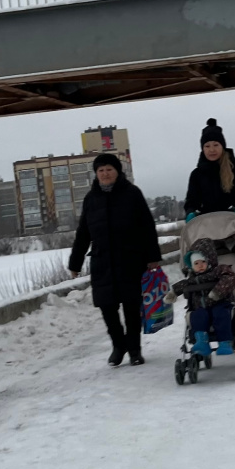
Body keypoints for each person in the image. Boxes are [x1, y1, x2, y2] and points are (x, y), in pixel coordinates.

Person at [68, 153, 162, 366]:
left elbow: (147, 227)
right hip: (102, 262)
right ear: (96, 174)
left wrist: (153, 257)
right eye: (101, 170)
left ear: (117, 171)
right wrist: (75, 262)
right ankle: (118, 346)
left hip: (130, 260)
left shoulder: (132, 194)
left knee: (131, 309)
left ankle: (134, 350)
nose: (105, 173)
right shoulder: (91, 199)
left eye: (109, 169)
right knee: (107, 308)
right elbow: (83, 233)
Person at [184, 117, 235, 235]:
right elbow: (191, 201)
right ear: (202, 149)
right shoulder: (196, 175)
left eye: (216, 145)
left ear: (222, 146)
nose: (212, 149)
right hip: (209, 231)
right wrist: (190, 212)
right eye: (207, 146)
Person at [169, 239, 235, 357]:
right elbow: (183, 284)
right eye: (196, 263)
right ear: (192, 265)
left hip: (220, 302)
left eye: (203, 262)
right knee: (197, 316)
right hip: (201, 306)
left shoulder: (219, 270)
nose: (200, 266)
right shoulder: (193, 278)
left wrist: (217, 292)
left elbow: (230, 278)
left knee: (221, 314)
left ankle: (224, 342)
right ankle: (202, 342)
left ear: (210, 261)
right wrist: (173, 293)